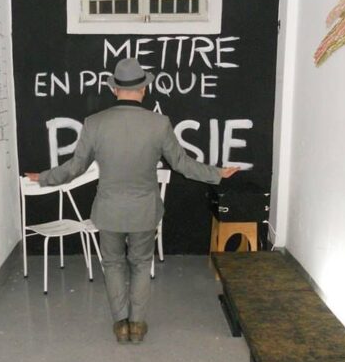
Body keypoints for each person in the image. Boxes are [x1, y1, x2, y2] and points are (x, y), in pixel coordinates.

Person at [26, 58, 239, 344]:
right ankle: (137, 325)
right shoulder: (159, 123)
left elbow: (74, 168)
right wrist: (218, 173)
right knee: (140, 264)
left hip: (109, 211)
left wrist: (43, 178)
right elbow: (183, 164)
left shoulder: (94, 123)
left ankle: (120, 324)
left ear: (114, 89)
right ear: (144, 89)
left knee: (113, 264)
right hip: (144, 210)